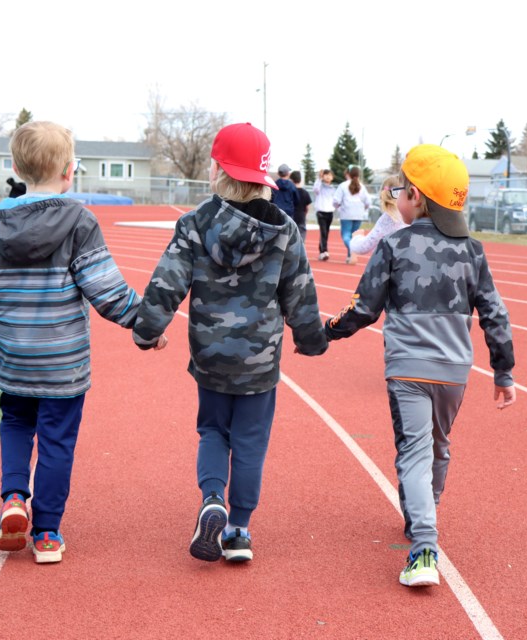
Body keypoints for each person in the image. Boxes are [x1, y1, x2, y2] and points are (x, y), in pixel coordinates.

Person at [132, 122, 327, 564]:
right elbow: (300, 294)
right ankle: (239, 529)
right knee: (252, 439)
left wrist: (147, 331)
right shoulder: (285, 232)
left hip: (209, 355)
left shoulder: (195, 224)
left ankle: (212, 498)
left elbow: (167, 283)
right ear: (263, 177)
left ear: (218, 169)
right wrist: (312, 341)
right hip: (260, 362)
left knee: (213, 430)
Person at [324, 144, 516, 588]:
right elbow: (494, 314)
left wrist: (325, 332)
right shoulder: (473, 251)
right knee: (438, 446)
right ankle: (423, 512)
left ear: (414, 196)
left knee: (413, 451)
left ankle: (423, 543)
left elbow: (363, 309)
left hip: (407, 368)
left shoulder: (393, 245)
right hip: (453, 371)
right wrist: (503, 371)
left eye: (399, 190)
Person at [0, 121, 159, 564]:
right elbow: (105, 289)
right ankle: (47, 533)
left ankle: (14, 498)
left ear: (16, 167)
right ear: (70, 170)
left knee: (16, 425)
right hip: (63, 360)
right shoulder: (79, 221)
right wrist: (146, 324)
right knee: (57, 440)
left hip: (15, 355)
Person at [348, 175, 408, 256]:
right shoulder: (417, 216)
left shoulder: (387, 220)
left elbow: (364, 247)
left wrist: (356, 238)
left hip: (390, 264)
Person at [332, 165, 370, 264]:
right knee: (354, 235)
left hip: (346, 213)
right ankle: (350, 255)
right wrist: (363, 209)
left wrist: (337, 207)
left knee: (346, 234)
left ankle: (352, 251)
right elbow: (368, 202)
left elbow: (336, 200)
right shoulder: (362, 186)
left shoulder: (343, 185)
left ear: (348, 174)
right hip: (358, 214)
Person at [312, 168, 337, 260]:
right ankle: (324, 251)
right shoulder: (320, 187)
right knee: (323, 232)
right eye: (326, 174)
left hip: (330, 212)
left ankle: (322, 249)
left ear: (332, 177)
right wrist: (319, 178)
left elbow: (336, 200)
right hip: (321, 212)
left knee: (326, 232)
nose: (327, 176)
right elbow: (315, 189)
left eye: (330, 175)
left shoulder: (333, 189)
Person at [290, 170, 311, 241]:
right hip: (301, 216)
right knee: (301, 238)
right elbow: (307, 207)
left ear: (291, 180)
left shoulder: (290, 192)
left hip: (291, 216)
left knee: (290, 237)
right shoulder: (305, 193)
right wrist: (305, 214)